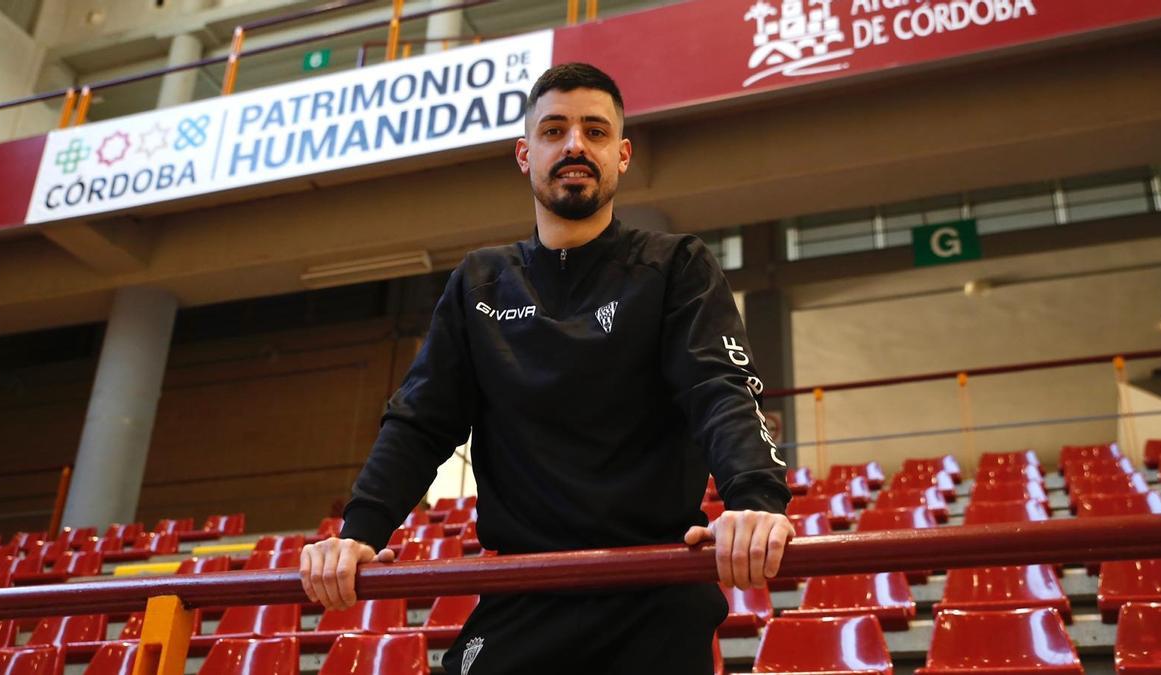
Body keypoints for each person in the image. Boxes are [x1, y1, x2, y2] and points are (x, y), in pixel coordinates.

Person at [300, 63, 793, 674]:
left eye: (595, 130)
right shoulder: (479, 280)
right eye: (554, 131)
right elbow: (420, 421)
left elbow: (718, 387)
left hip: (653, 591)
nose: (575, 146)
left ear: (622, 155)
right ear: (524, 154)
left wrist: (756, 499)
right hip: (522, 590)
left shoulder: (676, 266)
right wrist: (361, 531)